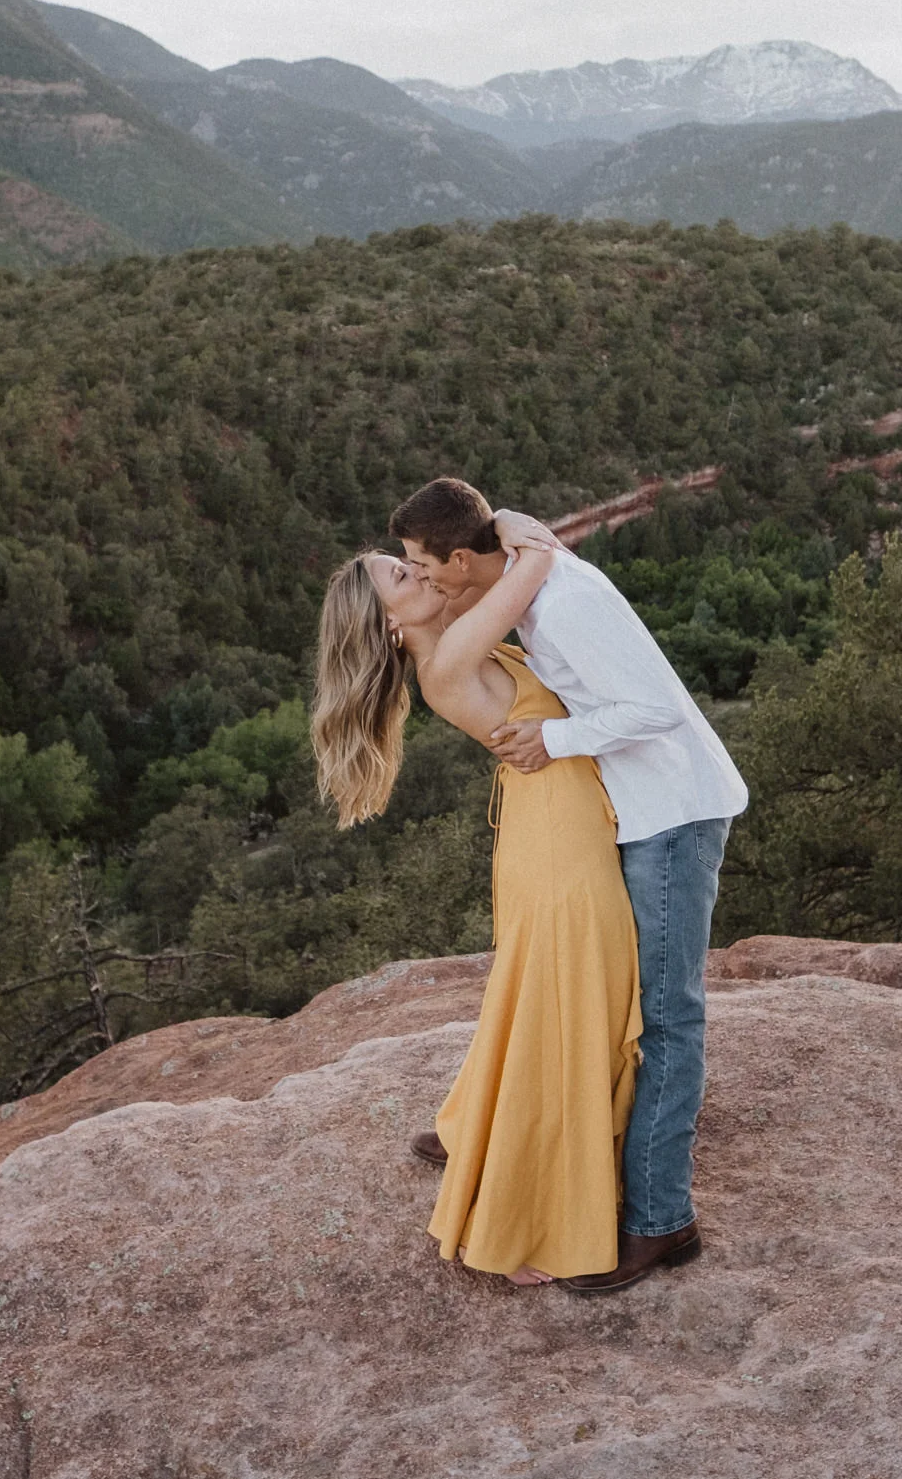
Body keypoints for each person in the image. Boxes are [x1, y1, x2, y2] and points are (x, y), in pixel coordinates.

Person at [387, 477, 748, 1296]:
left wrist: (556, 737)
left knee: (666, 1017)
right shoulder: (524, 580)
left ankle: (662, 1219)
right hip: (634, 811)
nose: (423, 578)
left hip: (671, 816)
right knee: (608, 1001)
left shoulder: (565, 604)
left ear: (460, 560)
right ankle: (501, 1133)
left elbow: (656, 707)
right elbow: (498, 555)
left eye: (423, 565)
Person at [311, 531, 641, 1286]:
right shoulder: (450, 658)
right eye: (403, 574)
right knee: (565, 1019)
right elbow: (536, 561)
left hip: (551, 828)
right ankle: (520, 1223)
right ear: (390, 622)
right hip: (558, 844)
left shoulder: (453, 637)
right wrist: (509, 528)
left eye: (411, 561)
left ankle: (506, 1148)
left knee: (555, 1009)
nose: (421, 571)